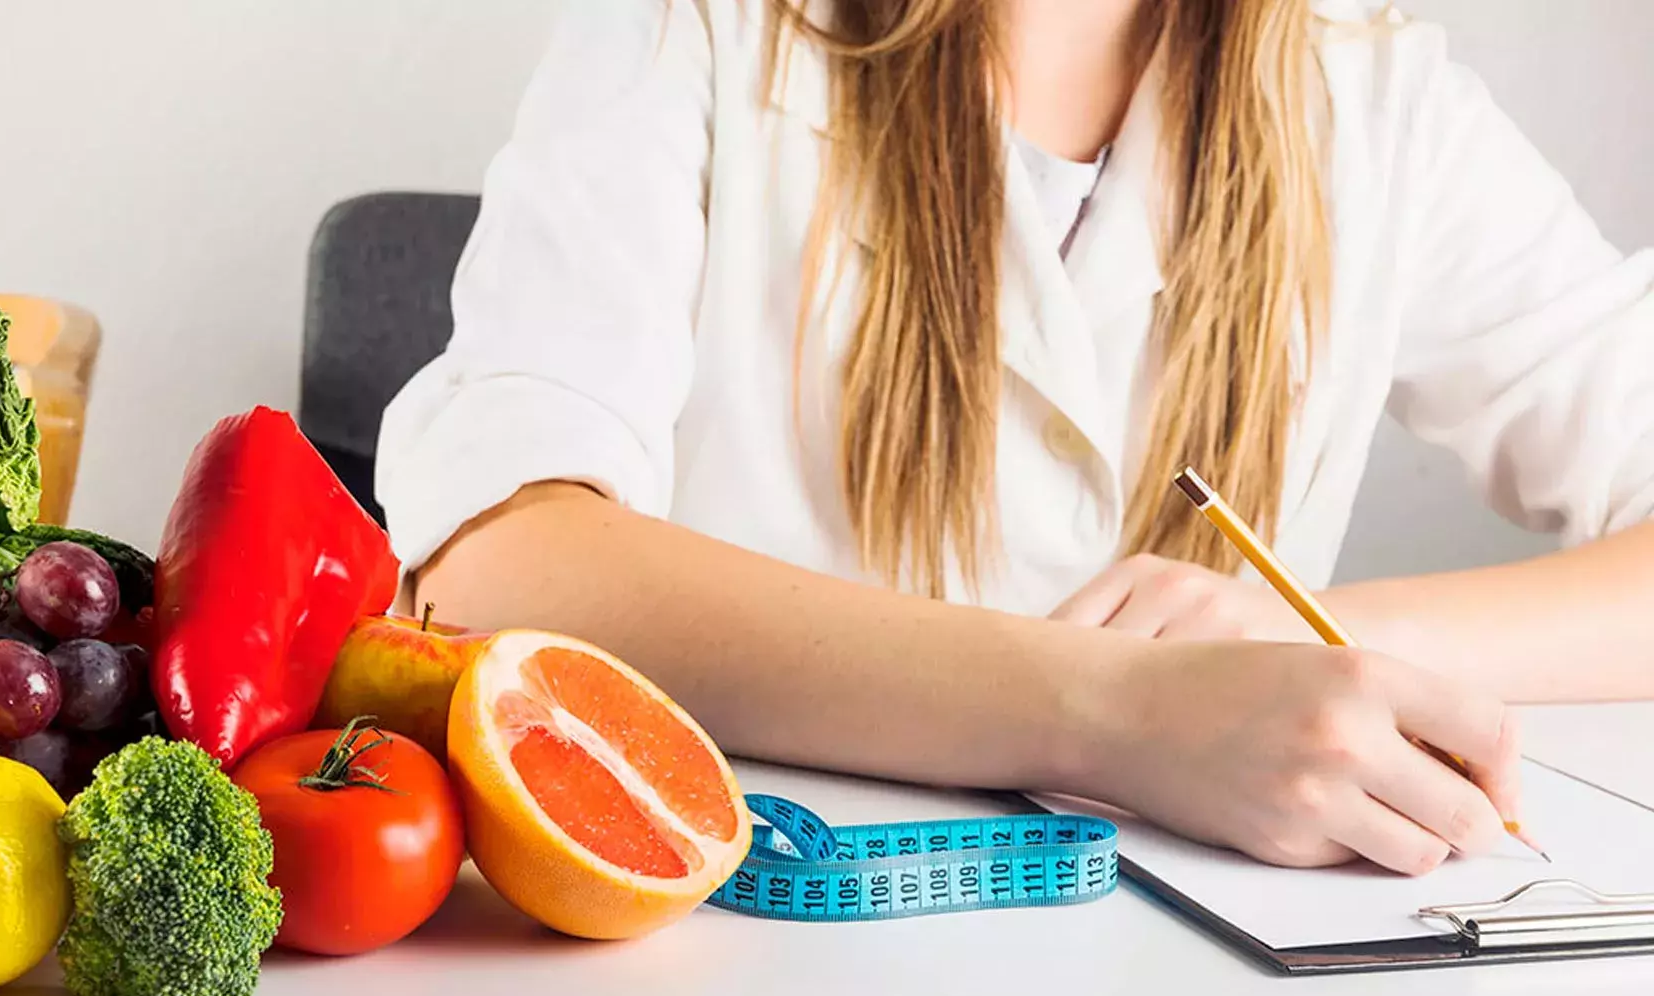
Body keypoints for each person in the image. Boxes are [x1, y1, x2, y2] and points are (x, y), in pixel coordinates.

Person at [374, 0, 1654, 877]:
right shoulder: (694, 31)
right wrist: (1115, 713)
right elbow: (496, 562)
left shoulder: (1376, 92)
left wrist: (1310, 645)